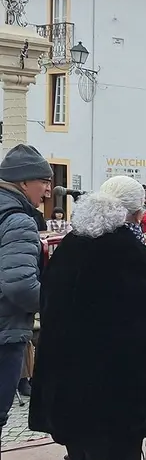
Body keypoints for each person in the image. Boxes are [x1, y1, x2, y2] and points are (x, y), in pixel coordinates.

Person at [30, 176, 146, 460]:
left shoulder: (70, 245)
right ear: (137, 214)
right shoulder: (129, 252)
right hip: (115, 394)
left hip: (68, 387)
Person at [0, 144, 52, 439]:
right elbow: (20, 286)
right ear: (23, 182)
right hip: (4, 333)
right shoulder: (19, 219)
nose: (47, 190)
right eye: (43, 181)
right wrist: (56, 302)